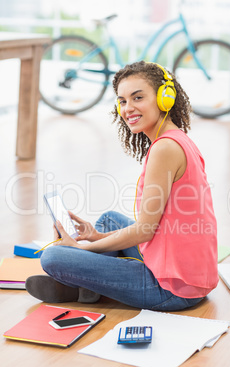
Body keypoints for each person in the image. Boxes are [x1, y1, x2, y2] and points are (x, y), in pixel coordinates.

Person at [26, 61, 218, 311]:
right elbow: (155, 227)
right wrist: (96, 237)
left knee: (52, 257)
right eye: (123, 101)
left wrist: (84, 248)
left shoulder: (165, 149)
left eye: (138, 97)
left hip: (174, 289)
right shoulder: (176, 139)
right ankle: (88, 285)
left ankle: (84, 284)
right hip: (188, 271)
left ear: (165, 99)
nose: (128, 108)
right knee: (109, 220)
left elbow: (145, 232)